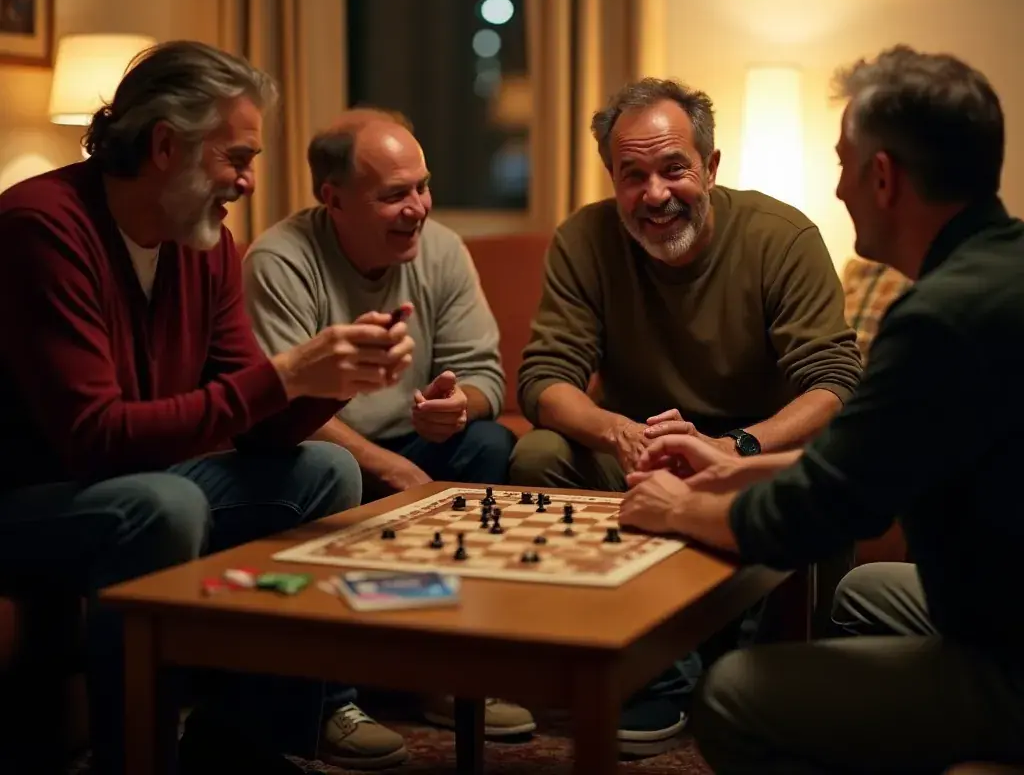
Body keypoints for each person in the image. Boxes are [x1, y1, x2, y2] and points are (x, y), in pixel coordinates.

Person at [0, 42, 416, 775]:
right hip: (30, 499)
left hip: (132, 483)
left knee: (325, 471)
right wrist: (285, 376)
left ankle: (242, 743)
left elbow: (257, 419)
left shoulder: (207, 247)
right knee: (164, 504)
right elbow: (95, 437)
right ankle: (137, 757)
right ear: (166, 146)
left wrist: (335, 377)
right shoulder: (41, 227)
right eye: (238, 158)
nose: (250, 182)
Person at [620, 46, 1024, 774]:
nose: (837, 188)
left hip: (1011, 662)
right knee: (865, 591)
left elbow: (820, 514)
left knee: (733, 695)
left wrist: (680, 508)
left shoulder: (940, 321)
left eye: (844, 164)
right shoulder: (1002, 273)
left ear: (882, 177)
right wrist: (732, 464)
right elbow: (870, 463)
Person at [509, 76, 863, 754]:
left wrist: (736, 448)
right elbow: (544, 379)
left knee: (826, 468)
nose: (655, 194)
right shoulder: (584, 239)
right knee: (537, 455)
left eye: (674, 169)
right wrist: (618, 431)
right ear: (613, 180)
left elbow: (836, 383)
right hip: (638, 456)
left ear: (711, 166)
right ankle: (650, 671)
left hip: (752, 455)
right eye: (632, 175)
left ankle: (762, 675)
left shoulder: (781, 236)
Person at [242, 108, 532, 742]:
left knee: (487, 443)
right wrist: (393, 469)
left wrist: (458, 405)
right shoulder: (279, 261)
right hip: (322, 450)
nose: (418, 208)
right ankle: (331, 701)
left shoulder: (443, 250)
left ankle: (449, 671)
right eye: (394, 194)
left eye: (423, 187)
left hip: (413, 442)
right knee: (327, 469)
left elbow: (486, 376)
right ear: (333, 199)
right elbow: (278, 407)